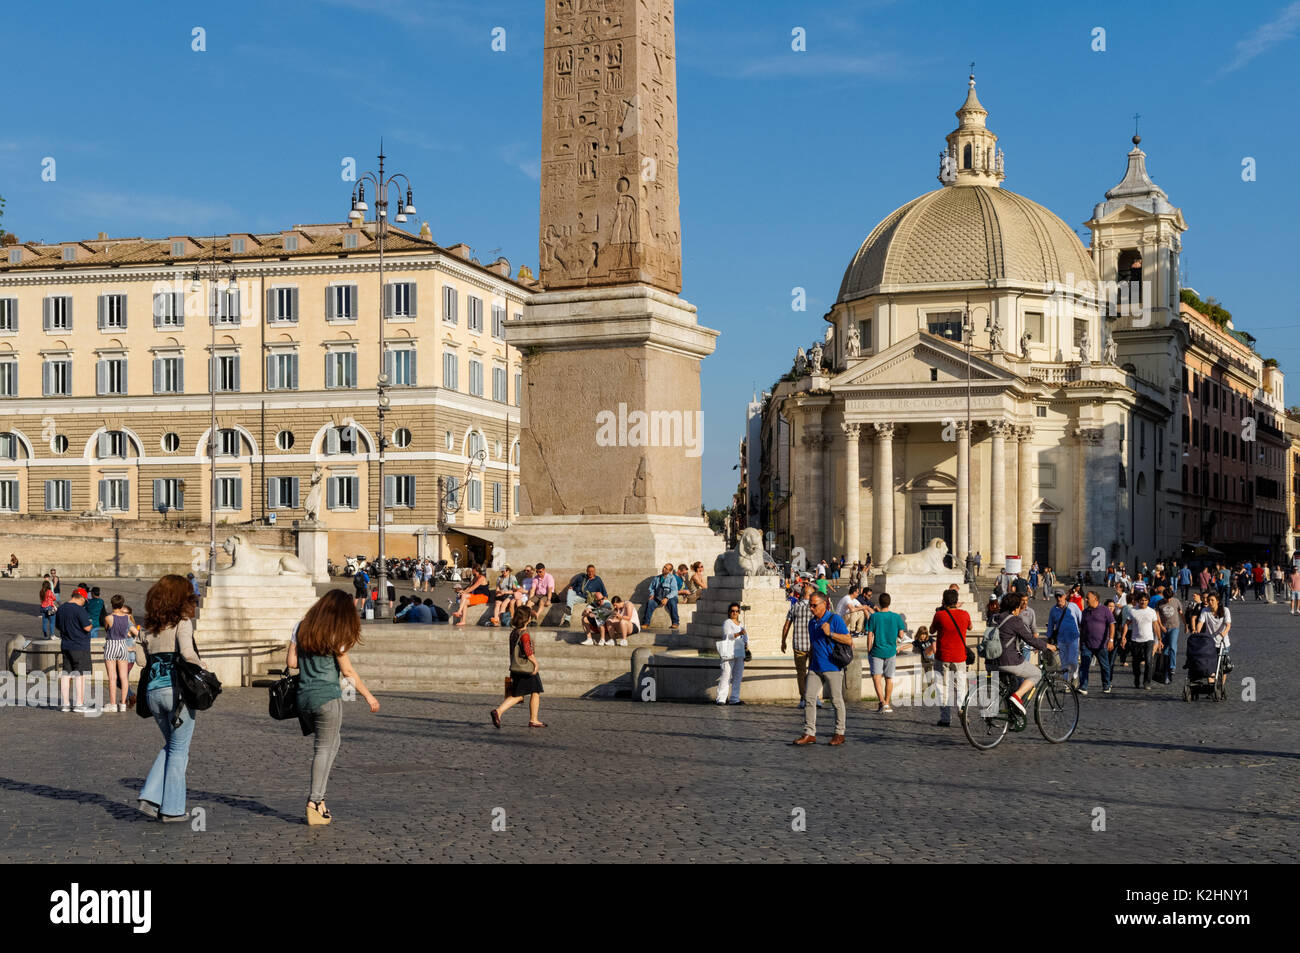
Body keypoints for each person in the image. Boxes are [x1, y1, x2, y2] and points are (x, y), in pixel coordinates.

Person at [286, 589, 380, 826]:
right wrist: (369, 696)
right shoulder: (336, 633)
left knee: (332, 743)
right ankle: (315, 801)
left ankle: (321, 800)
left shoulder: (301, 627)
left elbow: (292, 663)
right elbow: (347, 672)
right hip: (327, 697)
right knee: (324, 748)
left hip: (304, 697)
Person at [136, 574, 206, 822]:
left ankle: (152, 797)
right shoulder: (182, 623)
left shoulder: (147, 627)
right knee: (178, 751)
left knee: (174, 747)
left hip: (153, 692)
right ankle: (170, 808)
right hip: (177, 693)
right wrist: (205, 670)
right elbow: (187, 653)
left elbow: (141, 661)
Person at [791, 592, 852, 746]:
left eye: (814, 605)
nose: (811, 608)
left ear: (824, 604)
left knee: (836, 700)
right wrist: (810, 665)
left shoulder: (835, 619)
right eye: (810, 605)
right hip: (815, 667)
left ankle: (839, 732)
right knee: (809, 698)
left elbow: (849, 640)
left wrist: (830, 633)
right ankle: (809, 733)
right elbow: (813, 646)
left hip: (832, 666)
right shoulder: (811, 623)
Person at [991, 592, 1056, 716]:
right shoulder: (1015, 620)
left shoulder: (995, 618)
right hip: (1008, 661)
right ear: (1016, 608)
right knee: (1036, 673)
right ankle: (1017, 696)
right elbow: (1030, 639)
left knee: (1011, 686)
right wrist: (1047, 646)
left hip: (992, 661)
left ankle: (1012, 716)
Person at [491, 606, 545, 729]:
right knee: (531, 693)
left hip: (515, 667)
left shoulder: (514, 632)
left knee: (522, 694)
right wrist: (536, 663)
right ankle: (500, 711)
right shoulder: (524, 634)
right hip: (525, 668)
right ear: (527, 619)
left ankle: (531, 719)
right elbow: (527, 651)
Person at [929, 588, 971, 727]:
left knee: (943, 687)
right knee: (960, 686)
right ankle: (961, 710)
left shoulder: (940, 615)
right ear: (956, 600)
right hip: (959, 656)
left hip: (943, 656)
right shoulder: (964, 614)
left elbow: (931, 630)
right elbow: (970, 627)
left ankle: (945, 718)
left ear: (944, 601)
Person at [865, 592, 907, 714]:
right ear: (889, 602)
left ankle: (882, 702)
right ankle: (887, 703)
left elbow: (869, 635)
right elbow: (901, 634)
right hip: (891, 651)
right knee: (889, 678)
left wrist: (869, 650)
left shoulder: (874, 617)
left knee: (876, 677)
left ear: (879, 602)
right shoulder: (896, 617)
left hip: (877, 650)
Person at [55, 587, 94, 713]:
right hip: (79, 645)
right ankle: (79, 704)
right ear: (81, 598)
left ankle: (65, 704)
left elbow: (57, 626)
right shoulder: (79, 610)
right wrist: (91, 623)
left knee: (66, 674)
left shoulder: (61, 608)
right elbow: (87, 628)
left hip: (66, 645)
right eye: (85, 601)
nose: (84, 603)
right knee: (80, 675)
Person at [781, 584, 819, 709]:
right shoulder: (815, 607)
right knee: (814, 672)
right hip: (813, 644)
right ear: (809, 595)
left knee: (801, 673)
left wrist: (783, 641)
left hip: (798, 644)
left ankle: (803, 698)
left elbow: (786, 625)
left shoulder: (795, 607)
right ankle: (814, 697)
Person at [1120, 591, 1163, 690]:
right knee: (1136, 662)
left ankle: (1147, 682)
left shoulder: (1151, 611)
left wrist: (1160, 639)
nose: (1143, 602)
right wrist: (1123, 637)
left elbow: (1156, 626)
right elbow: (1126, 624)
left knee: (1149, 661)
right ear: (1138, 601)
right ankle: (1137, 678)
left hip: (1149, 639)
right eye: (1141, 600)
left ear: (1148, 601)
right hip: (1136, 640)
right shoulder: (1133, 611)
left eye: (1145, 600)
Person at [103, 594, 137, 712]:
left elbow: (107, 629)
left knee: (112, 677)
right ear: (122, 604)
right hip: (123, 645)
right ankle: (123, 704)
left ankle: (113, 704)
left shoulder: (108, 618)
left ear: (112, 604)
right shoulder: (127, 618)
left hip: (112, 645)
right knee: (124, 677)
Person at [1078, 591, 1114, 695]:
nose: (1086, 599)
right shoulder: (1084, 612)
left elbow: (1112, 625)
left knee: (1104, 666)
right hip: (1087, 644)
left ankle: (1106, 685)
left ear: (1095, 598)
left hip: (1101, 645)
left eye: (1088, 598)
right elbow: (1082, 628)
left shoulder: (1105, 610)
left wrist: (1110, 640)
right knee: (1084, 665)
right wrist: (1081, 642)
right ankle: (1083, 687)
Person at [1046, 588, 1082, 687]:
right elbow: (1050, 625)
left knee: (1073, 660)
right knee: (1064, 663)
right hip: (1061, 639)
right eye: (1057, 596)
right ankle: (1066, 682)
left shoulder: (1073, 606)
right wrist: (1049, 638)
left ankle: (1074, 677)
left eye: (1060, 596)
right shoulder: (1053, 610)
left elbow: (1081, 620)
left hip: (1074, 638)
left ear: (1065, 596)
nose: (1059, 598)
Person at [717, 603, 748, 705]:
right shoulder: (727, 622)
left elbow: (745, 637)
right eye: (732, 611)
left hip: (739, 651)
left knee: (738, 676)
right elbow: (727, 636)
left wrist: (747, 646)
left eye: (736, 611)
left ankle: (734, 698)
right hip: (729, 651)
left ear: (739, 612)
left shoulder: (742, 624)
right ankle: (721, 698)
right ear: (729, 612)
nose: (735, 613)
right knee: (726, 675)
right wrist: (739, 633)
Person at [1155, 585, 1183, 685]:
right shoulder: (1159, 603)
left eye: (1170, 598)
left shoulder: (1176, 601)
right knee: (1165, 650)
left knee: (1172, 646)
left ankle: (1172, 666)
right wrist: (1161, 626)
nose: (1168, 600)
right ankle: (1166, 674)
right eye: (1167, 598)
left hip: (1174, 627)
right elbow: (1157, 616)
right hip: (1164, 628)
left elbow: (1180, 613)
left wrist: (1186, 625)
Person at [643, 562, 682, 630]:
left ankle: (675, 622)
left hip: (670, 597)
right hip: (658, 596)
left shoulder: (672, 578)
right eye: (664, 567)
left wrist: (667, 598)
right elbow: (651, 588)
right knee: (650, 603)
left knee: (673, 603)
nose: (663, 569)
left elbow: (674, 591)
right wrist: (652, 594)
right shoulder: (657, 578)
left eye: (666, 568)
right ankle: (646, 623)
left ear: (669, 571)